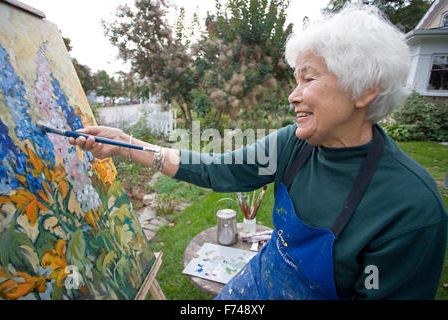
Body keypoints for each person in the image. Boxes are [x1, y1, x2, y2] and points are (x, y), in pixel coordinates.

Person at [69, 5, 448, 299]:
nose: (292, 95)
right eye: (294, 80)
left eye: (309, 78)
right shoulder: (293, 145)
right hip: (254, 288)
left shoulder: (411, 210)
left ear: (366, 89)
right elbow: (216, 170)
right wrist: (128, 145)